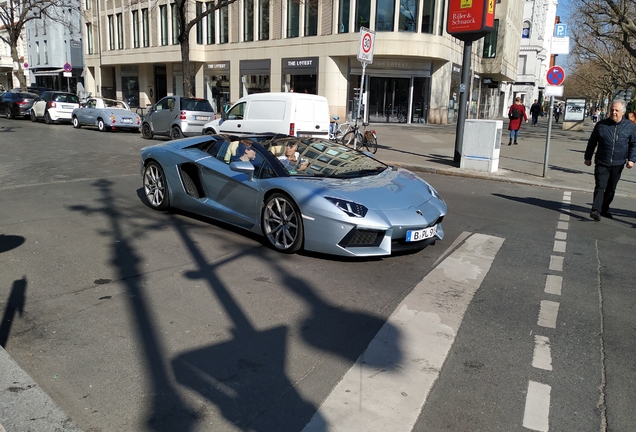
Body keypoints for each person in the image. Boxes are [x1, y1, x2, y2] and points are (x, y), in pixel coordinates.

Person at [584, 99, 636, 221]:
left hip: (618, 162)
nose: (613, 112)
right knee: (600, 185)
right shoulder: (601, 125)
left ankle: (604, 208)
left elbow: (634, 144)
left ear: (622, 112)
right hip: (602, 161)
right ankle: (596, 210)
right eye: (612, 110)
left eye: (616, 110)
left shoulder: (630, 127)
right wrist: (588, 157)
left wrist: (632, 159)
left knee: (611, 189)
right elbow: (592, 142)